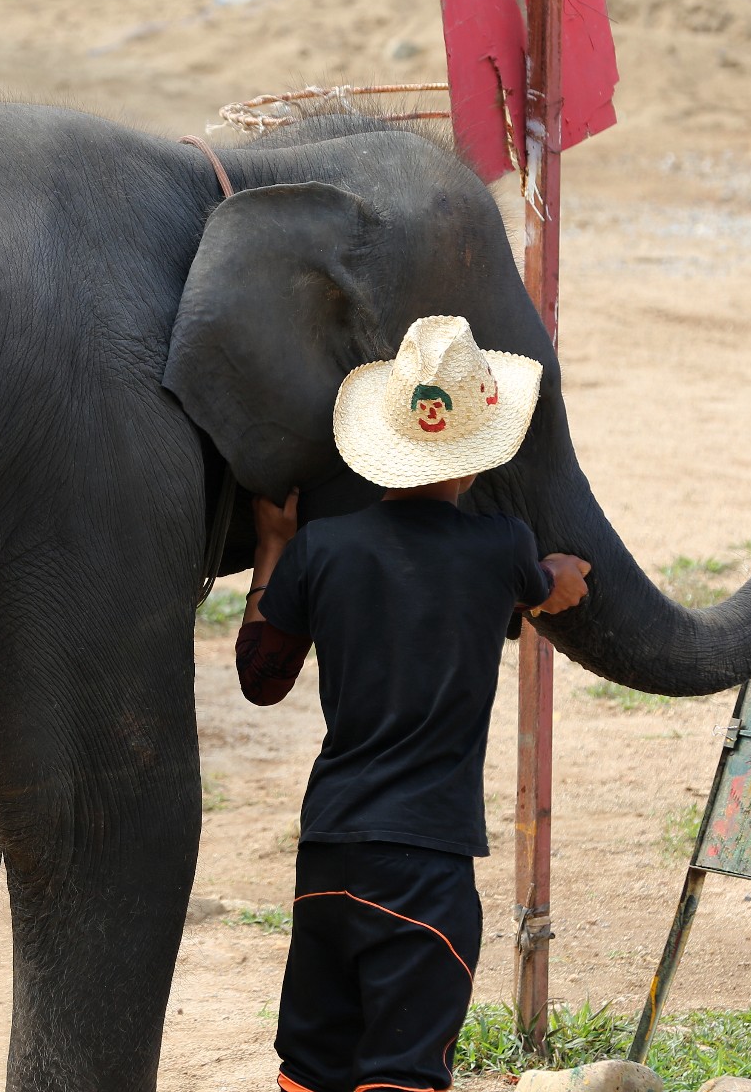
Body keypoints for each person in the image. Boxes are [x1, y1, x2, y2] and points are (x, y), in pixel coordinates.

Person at [235, 315, 592, 1092]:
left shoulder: (321, 551)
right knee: (402, 1072)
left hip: (328, 851)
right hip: (423, 865)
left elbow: (261, 678)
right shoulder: (501, 548)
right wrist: (557, 572)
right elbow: (552, 589)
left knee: (311, 1066)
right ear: (478, 453)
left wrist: (274, 546)